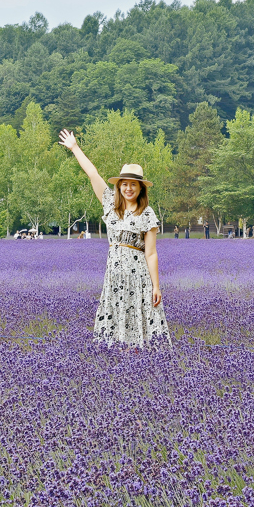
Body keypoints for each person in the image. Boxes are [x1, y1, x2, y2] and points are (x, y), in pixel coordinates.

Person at [59, 129, 170, 346]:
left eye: (133, 184)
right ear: (119, 186)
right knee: (116, 323)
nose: (128, 188)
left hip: (138, 277)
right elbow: (93, 174)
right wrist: (74, 148)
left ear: (140, 188)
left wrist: (156, 286)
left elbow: (151, 253)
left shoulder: (147, 214)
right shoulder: (110, 205)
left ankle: (140, 364)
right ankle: (118, 363)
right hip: (114, 276)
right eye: (124, 184)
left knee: (139, 322)